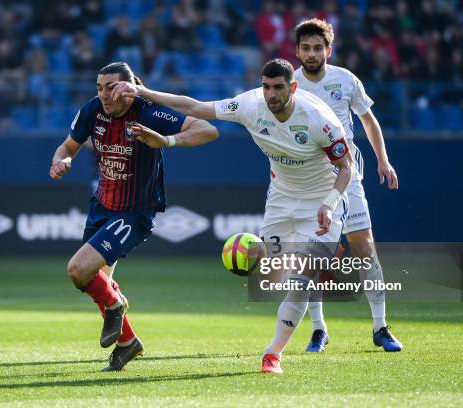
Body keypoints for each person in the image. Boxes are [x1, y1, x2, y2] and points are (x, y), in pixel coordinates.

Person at [112, 58, 354, 374]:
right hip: (281, 200)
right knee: (273, 277)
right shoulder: (249, 105)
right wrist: (144, 92)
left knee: (300, 280)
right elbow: (195, 107)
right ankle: (316, 290)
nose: (270, 94)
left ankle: (273, 354)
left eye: (278, 87)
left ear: (292, 87)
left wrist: (331, 202)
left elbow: (347, 167)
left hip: (322, 202)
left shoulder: (318, 119)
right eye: (266, 87)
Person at [49, 62, 218, 372]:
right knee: (95, 281)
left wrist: (167, 140)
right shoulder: (91, 111)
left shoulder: (148, 112)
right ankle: (128, 343)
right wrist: (61, 161)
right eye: (99, 88)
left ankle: (117, 305)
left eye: (111, 87)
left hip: (134, 212)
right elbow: (66, 146)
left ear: (128, 87)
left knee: (77, 270)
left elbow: (208, 129)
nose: (103, 94)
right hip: (101, 207)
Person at [293, 18, 402, 353]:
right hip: (310, 177)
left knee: (365, 247)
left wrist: (383, 160)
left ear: (328, 49)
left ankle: (381, 327)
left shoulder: (345, 80)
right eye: (306, 48)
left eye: (317, 48)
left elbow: (368, 119)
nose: (311, 54)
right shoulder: (289, 84)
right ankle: (318, 329)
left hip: (347, 172)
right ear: (297, 51)